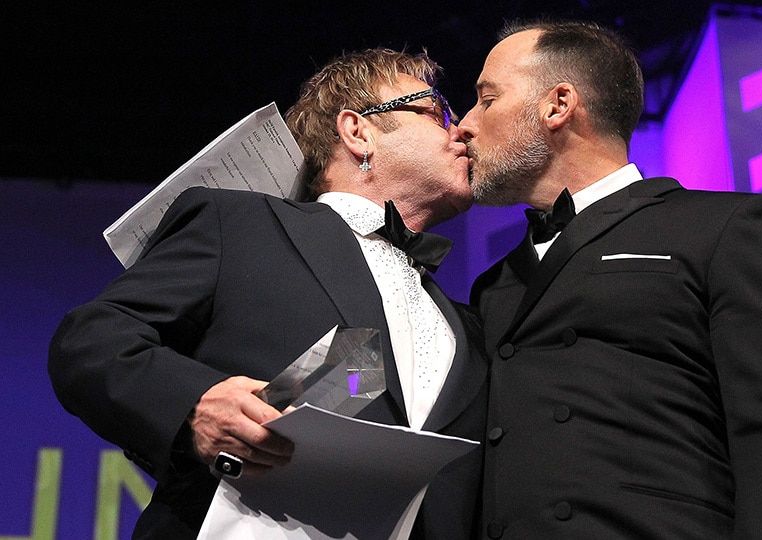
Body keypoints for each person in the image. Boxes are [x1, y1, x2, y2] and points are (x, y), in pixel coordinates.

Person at [48, 48, 487, 539]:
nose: (463, 129)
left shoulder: (468, 323)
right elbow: (91, 341)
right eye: (435, 110)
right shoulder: (242, 223)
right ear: (357, 130)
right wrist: (195, 403)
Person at [458, 19, 762, 539]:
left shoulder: (723, 228)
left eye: (486, 99)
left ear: (557, 105)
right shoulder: (493, 284)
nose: (464, 126)